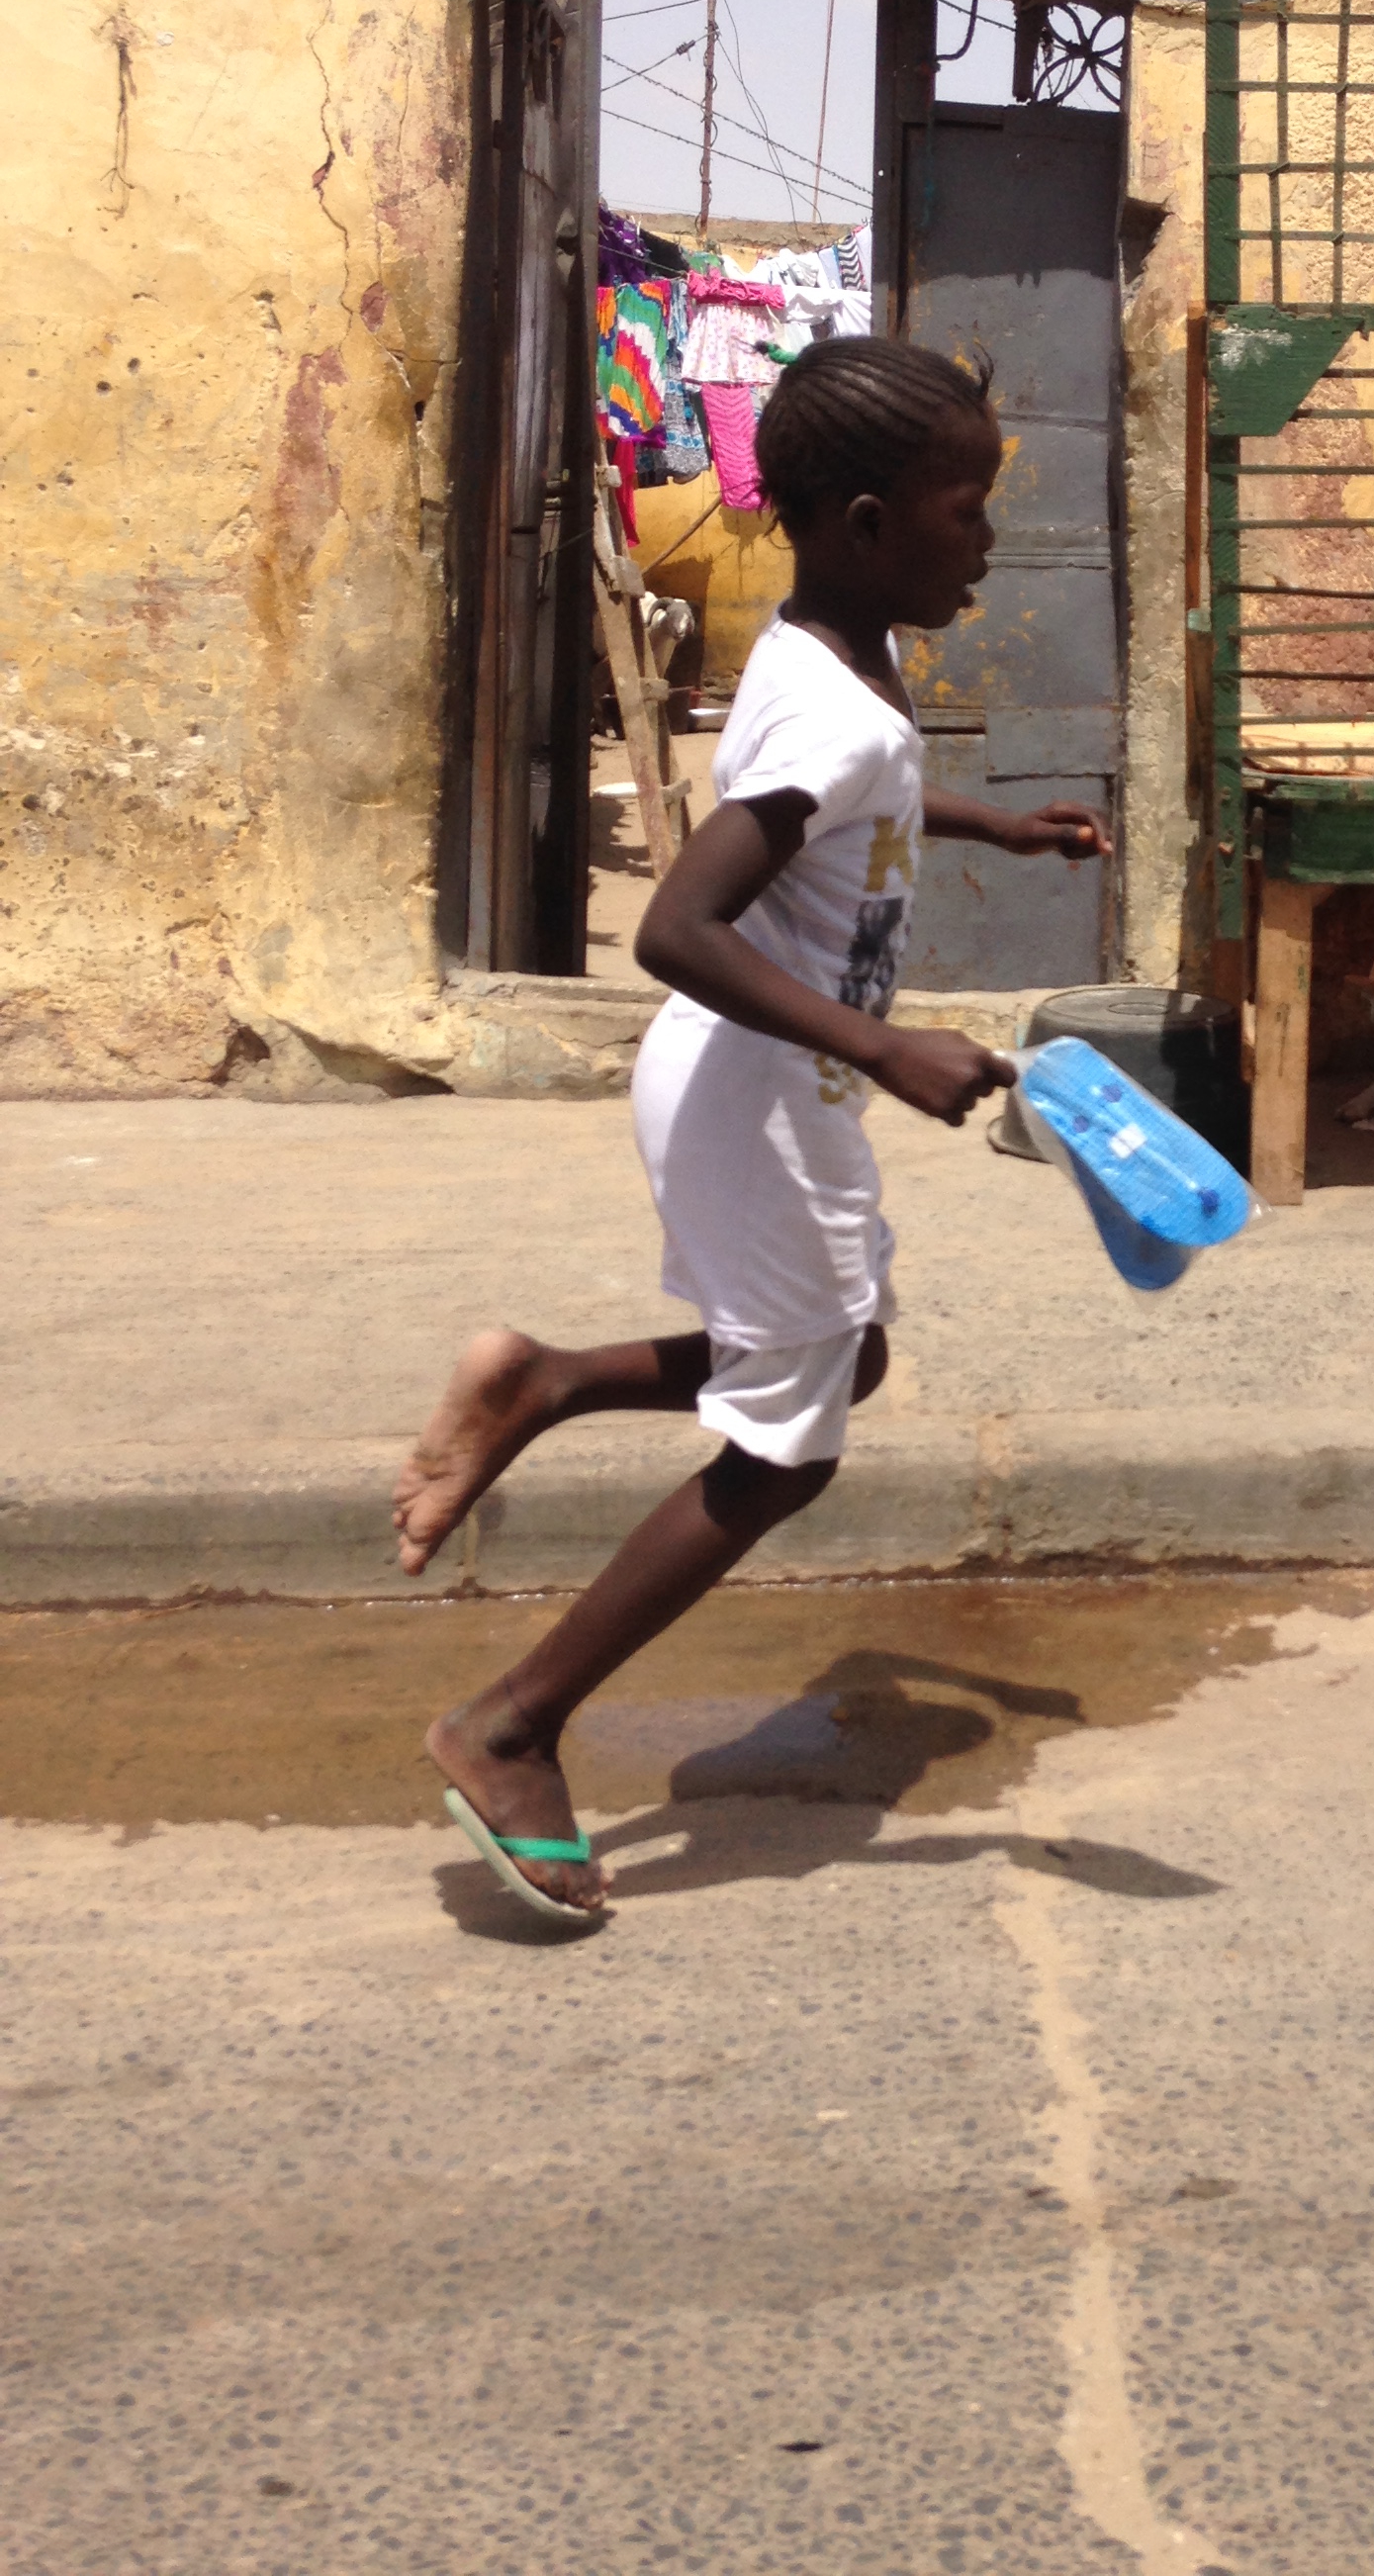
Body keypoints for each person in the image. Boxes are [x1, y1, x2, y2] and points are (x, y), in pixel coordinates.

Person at [390, 335, 1107, 1925]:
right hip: (757, 1091)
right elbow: (676, 926)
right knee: (788, 1449)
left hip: (764, 1083)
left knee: (832, 1363)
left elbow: (854, 798)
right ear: (865, 520)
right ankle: (512, 1722)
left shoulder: (834, 656)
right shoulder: (838, 709)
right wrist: (884, 1042)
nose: (988, 531)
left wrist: (1003, 823)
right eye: (965, 502)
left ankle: (544, 1379)